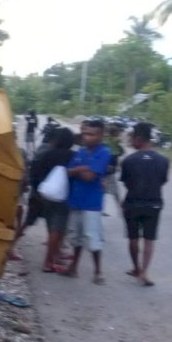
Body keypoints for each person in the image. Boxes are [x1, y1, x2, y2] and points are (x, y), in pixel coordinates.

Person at [120, 122, 169, 286]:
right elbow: (162, 181)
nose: (131, 141)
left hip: (133, 203)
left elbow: (126, 182)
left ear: (139, 138)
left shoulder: (129, 160)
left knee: (133, 238)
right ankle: (145, 272)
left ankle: (136, 268)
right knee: (149, 239)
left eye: (132, 137)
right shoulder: (163, 160)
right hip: (154, 203)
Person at [62, 119, 111, 284]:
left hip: (92, 203)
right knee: (76, 236)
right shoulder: (81, 151)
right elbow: (69, 172)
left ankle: (98, 272)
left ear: (100, 135)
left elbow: (90, 176)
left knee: (92, 237)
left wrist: (79, 170)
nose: (87, 137)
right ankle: (73, 267)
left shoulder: (104, 152)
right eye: (85, 133)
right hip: (76, 200)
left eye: (91, 134)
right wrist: (83, 169)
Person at [29, 127, 76, 272]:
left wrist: (37, 191)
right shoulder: (74, 156)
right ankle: (48, 261)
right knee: (58, 229)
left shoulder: (48, 154)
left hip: (46, 196)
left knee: (51, 228)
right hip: (64, 197)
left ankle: (54, 257)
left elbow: (35, 173)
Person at [102, 123, 125, 214]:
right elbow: (119, 153)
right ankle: (121, 209)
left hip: (107, 169)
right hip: (109, 169)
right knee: (114, 191)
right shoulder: (112, 142)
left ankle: (103, 208)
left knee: (105, 190)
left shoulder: (107, 141)